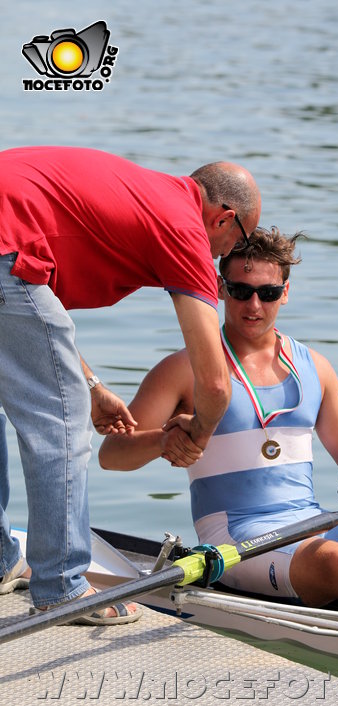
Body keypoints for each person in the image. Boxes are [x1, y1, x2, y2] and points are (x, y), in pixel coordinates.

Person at [99, 226, 338, 642]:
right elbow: (112, 454)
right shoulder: (184, 369)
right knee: (337, 562)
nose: (254, 305)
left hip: (314, 522)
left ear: (286, 292)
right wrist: (161, 442)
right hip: (237, 538)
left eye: (268, 292)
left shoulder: (314, 366)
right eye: (241, 291)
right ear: (220, 289)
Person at [0, 145, 261, 622]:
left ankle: (0, 561)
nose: (230, 255)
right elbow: (216, 382)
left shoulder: (147, 194)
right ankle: (60, 586)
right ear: (224, 219)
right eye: (240, 239)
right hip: (6, 248)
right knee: (60, 425)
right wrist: (196, 436)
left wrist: (94, 387)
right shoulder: (184, 228)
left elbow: (29, 318)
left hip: (8, 244)